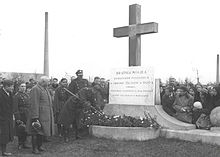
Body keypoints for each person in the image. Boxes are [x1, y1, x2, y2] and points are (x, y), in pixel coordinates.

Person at [27, 76, 55, 154]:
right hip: (38, 115)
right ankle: (34, 148)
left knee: (42, 131)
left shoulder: (44, 88)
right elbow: (34, 103)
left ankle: (40, 146)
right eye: (48, 82)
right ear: (43, 82)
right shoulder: (35, 89)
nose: (49, 83)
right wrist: (35, 117)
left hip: (45, 115)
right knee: (36, 131)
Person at [13, 82, 31, 150]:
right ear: (18, 87)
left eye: (24, 86)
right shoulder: (16, 96)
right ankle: (20, 143)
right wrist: (17, 117)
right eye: (22, 86)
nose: (23, 88)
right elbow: (15, 108)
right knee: (20, 129)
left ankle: (24, 143)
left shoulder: (27, 95)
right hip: (21, 115)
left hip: (27, 114)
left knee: (26, 129)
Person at [0, 79, 14, 156]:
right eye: (11, 87)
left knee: (5, 136)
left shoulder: (10, 93)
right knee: (2, 135)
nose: (12, 88)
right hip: (1, 118)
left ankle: (3, 152)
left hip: (8, 118)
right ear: (6, 86)